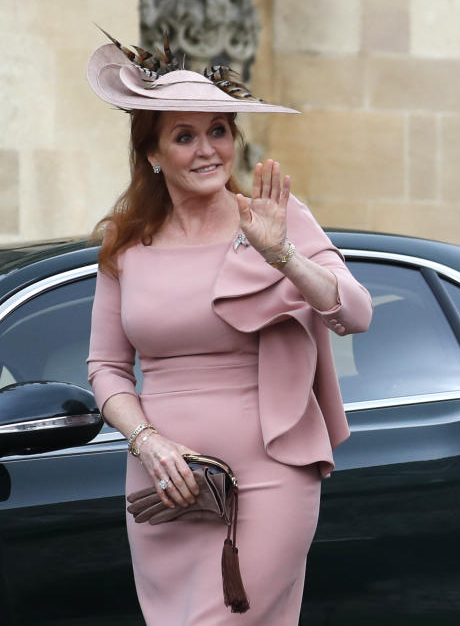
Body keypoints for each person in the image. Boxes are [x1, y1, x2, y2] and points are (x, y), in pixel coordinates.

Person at [85, 32, 372, 623]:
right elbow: (106, 368)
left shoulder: (274, 219)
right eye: (184, 136)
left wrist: (282, 255)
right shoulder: (124, 241)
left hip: (270, 476)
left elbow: (354, 313)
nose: (208, 149)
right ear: (153, 154)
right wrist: (148, 442)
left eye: (219, 130)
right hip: (166, 484)